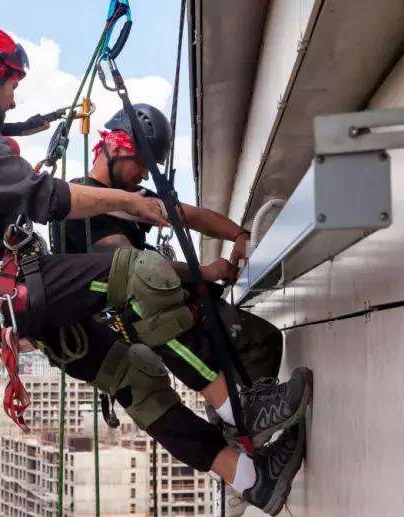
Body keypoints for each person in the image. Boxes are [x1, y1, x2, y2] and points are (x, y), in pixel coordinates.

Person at [0, 22, 309, 516]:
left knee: (137, 377)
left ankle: (253, 479)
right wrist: (131, 202)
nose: (14, 102)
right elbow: (43, 199)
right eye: (13, 86)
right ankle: (240, 407)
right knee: (141, 273)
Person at [50, 105, 290, 515]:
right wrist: (207, 272)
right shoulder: (82, 211)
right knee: (253, 344)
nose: (144, 175)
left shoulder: (127, 201)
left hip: (165, 311)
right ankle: (244, 449)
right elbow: (129, 269)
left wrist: (239, 234)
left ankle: (244, 446)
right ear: (114, 148)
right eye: (141, 164)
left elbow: (189, 216)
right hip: (141, 326)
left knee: (256, 345)